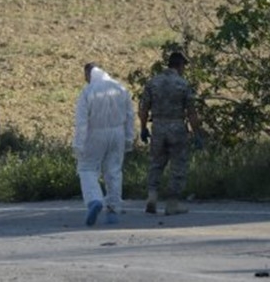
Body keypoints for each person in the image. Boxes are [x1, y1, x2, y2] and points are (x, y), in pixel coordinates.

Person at [138, 51, 200, 216]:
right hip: (177, 127)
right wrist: (197, 133)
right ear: (180, 65)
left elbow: (143, 109)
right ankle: (172, 203)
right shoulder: (182, 84)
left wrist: (143, 128)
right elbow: (191, 112)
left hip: (157, 126)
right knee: (178, 165)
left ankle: (152, 197)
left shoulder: (153, 83)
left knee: (156, 163)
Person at [73, 63, 135, 226]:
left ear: (89, 74)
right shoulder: (120, 88)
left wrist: (79, 145)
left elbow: (81, 121)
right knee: (114, 171)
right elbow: (130, 115)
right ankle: (113, 210)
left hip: (95, 133)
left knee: (87, 168)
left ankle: (94, 200)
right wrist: (129, 138)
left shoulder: (88, 91)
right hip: (117, 133)